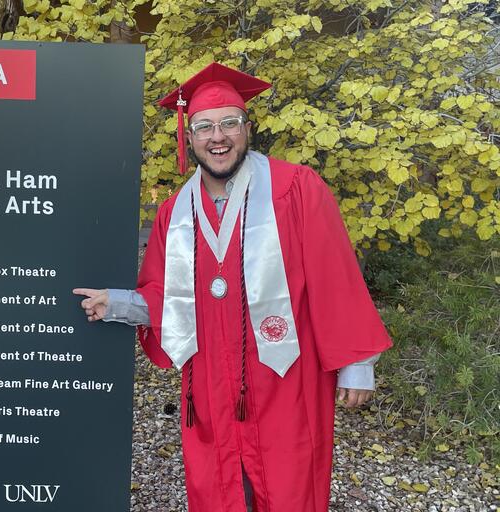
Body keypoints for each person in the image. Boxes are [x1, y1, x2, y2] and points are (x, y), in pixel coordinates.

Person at [73, 62, 392, 512]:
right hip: (210, 380)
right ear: (189, 137)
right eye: (204, 127)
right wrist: (120, 305)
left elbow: (334, 276)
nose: (217, 137)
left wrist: (356, 364)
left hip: (286, 377)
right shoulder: (175, 212)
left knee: (291, 485)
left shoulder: (295, 189)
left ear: (247, 128)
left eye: (229, 123)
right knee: (218, 486)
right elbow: (168, 295)